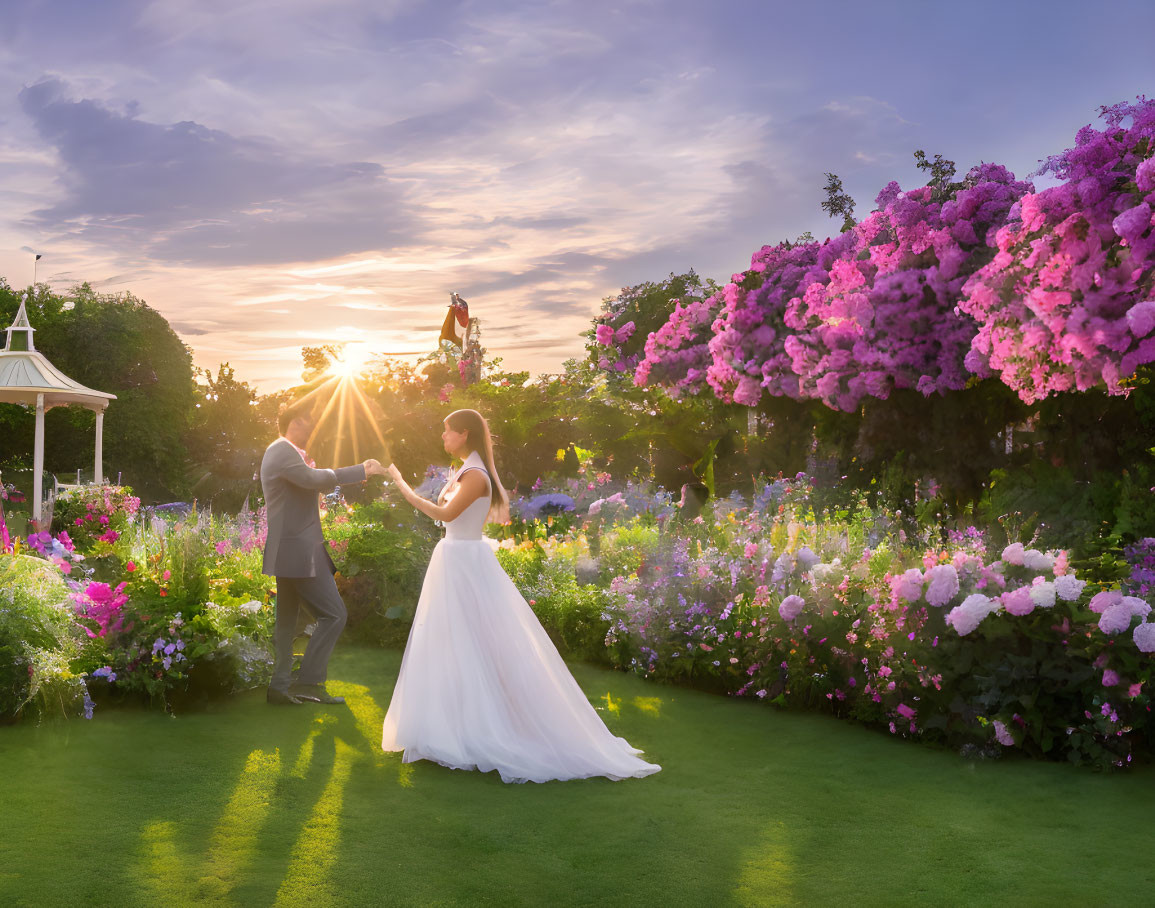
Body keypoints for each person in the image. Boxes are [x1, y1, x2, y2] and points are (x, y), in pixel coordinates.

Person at [380, 408, 661, 783]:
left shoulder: (476, 475)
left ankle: (486, 729)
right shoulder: (468, 471)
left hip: (462, 562)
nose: (443, 437)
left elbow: (444, 515)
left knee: (474, 642)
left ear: (464, 435)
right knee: (450, 642)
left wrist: (399, 481)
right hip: (455, 560)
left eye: (447, 431)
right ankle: (453, 727)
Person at [260, 398, 382, 706]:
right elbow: (312, 479)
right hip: (298, 551)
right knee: (334, 614)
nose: (312, 427)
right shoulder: (281, 450)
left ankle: (280, 686)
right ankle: (309, 684)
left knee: (287, 621)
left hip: (292, 548)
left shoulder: (285, 453)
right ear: (296, 422)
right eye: (309, 421)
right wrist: (360, 470)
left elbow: (310, 484)